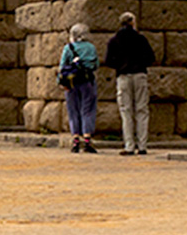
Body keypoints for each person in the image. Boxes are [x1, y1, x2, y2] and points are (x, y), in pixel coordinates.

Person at [104, 10, 157, 156]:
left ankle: (129, 145)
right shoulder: (141, 39)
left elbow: (108, 61)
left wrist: (120, 65)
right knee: (141, 110)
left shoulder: (114, 40)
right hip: (139, 74)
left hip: (123, 76)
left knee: (126, 111)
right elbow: (151, 57)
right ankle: (142, 146)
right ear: (133, 23)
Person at [59, 22, 100, 154]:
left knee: (73, 110)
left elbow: (62, 66)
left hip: (71, 83)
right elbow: (96, 65)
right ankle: (87, 139)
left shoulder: (68, 48)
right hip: (87, 82)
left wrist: (61, 82)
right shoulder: (91, 48)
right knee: (88, 109)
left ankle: (75, 140)